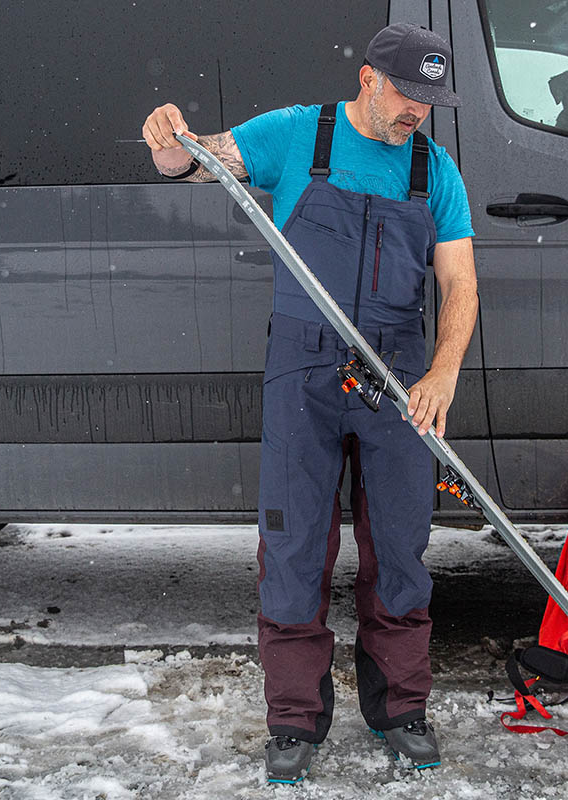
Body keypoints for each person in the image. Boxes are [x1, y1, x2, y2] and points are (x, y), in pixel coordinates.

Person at [141, 23, 477, 784]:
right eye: (406, 94)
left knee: (400, 547)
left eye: (430, 100)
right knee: (293, 548)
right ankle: (293, 721)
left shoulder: (435, 169)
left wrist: (445, 371)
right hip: (304, 367)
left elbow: (460, 284)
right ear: (367, 79)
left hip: (399, 372)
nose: (416, 113)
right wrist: (167, 144)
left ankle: (400, 710)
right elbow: (196, 161)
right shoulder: (299, 135)